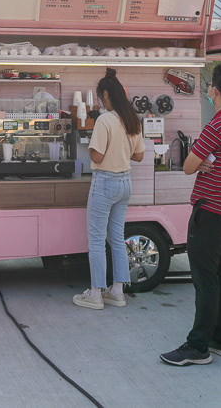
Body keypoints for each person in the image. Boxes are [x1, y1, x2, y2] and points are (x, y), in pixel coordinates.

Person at [161, 62, 221, 366]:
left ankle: (197, 345)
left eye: (210, 84)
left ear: (215, 90)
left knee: (204, 279)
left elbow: (187, 165)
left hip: (209, 211)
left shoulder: (217, 125)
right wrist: (202, 161)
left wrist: (198, 162)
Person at [73, 68, 145, 310]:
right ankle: (117, 291)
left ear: (106, 94)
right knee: (116, 238)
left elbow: (97, 154)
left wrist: (93, 148)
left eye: (100, 96)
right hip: (125, 182)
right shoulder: (132, 119)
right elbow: (139, 155)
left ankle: (95, 293)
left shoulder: (104, 119)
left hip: (105, 182)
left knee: (95, 240)